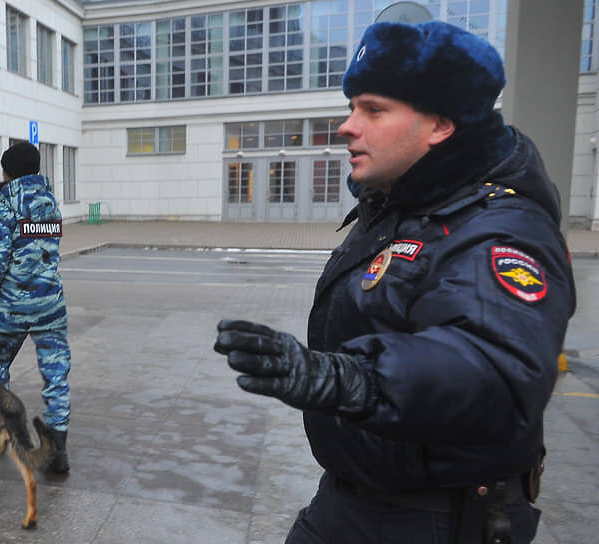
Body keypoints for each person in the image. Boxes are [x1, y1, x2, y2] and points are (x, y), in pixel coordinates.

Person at [214, 20, 576, 544]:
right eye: (351, 106)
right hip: (355, 497)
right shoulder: (401, 205)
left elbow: (494, 367)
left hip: (433, 518)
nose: (347, 126)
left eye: (374, 110)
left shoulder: (500, 228)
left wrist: (350, 379)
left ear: (441, 125)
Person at [0, 141, 71, 474]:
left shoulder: (3, 204)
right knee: (57, 377)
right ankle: (58, 451)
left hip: (12, 306)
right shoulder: (50, 201)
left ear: (7, 171)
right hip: (50, 304)